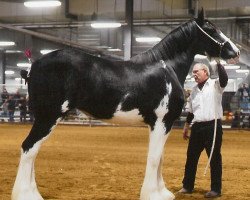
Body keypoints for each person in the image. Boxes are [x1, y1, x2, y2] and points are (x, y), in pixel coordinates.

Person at [179, 62, 228, 198]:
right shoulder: (193, 90)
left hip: (213, 127)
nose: (194, 74)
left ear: (205, 72)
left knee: (214, 159)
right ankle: (187, 186)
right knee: (191, 158)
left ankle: (215, 189)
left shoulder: (216, 85)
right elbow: (191, 111)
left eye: (197, 72)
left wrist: (219, 64)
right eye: (193, 72)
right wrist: (186, 126)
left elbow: (224, 79)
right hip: (197, 127)